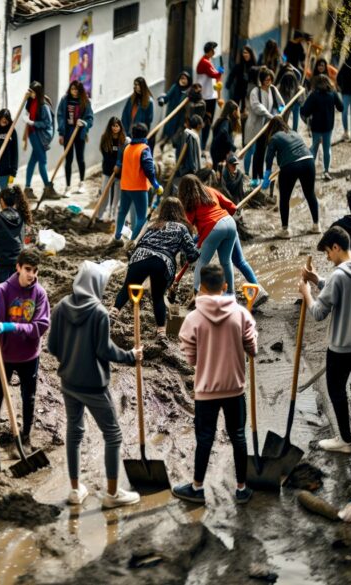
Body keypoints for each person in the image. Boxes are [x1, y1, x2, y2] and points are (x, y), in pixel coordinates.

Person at [48, 260, 143, 508]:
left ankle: (75, 489)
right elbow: (105, 350)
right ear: (96, 285)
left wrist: (70, 360)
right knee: (113, 435)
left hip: (68, 382)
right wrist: (130, 355)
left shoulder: (60, 307)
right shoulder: (99, 313)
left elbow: (51, 347)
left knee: (74, 432)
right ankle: (113, 495)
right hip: (93, 386)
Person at [172, 264, 257, 505]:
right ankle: (241, 488)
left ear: (201, 288)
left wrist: (199, 360)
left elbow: (189, 353)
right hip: (235, 387)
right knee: (238, 436)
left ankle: (197, 487)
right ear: (225, 286)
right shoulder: (240, 313)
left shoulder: (193, 318)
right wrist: (250, 350)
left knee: (205, 437)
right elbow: (251, 345)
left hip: (206, 389)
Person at [300, 226, 351, 453]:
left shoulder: (338, 276)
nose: (327, 257)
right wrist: (316, 279)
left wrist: (306, 294)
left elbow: (318, 313)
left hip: (341, 348)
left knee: (336, 390)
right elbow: (345, 289)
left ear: (336, 247)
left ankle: (345, 441)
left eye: (327, 252)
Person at [0, 248, 50, 450]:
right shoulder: (1, 291)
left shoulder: (39, 293)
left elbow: (40, 326)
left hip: (29, 356)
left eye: (35, 270)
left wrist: (12, 326)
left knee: (28, 398)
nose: (32, 275)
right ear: (18, 267)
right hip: (4, 354)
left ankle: (26, 435)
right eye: (28, 269)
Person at [112, 197, 199, 333]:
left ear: (162, 211)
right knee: (157, 297)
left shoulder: (154, 225)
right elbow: (192, 256)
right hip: (161, 261)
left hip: (139, 256)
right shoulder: (182, 228)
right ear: (180, 212)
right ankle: (161, 332)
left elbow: (140, 243)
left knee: (126, 289)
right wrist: (197, 246)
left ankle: (113, 312)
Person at [179, 175, 267, 306]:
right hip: (229, 223)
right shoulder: (210, 190)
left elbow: (188, 226)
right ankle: (231, 294)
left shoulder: (190, 202)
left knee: (202, 262)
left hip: (214, 228)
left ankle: (197, 294)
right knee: (226, 261)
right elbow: (231, 207)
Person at [263, 117, 319, 238]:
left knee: (284, 197)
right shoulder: (294, 132)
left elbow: (268, 158)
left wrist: (267, 175)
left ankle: (285, 230)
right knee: (310, 194)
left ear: (271, 128)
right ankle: (316, 225)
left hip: (290, 165)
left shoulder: (274, 138)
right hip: (308, 161)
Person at [114, 122, 162, 241]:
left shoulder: (127, 148)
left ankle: (117, 237)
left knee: (122, 212)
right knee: (141, 217)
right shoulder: (144, 149)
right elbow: (149, 170)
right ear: (145, 135)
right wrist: (155, 184)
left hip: (125, 186)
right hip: (138, 188)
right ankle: (132, 241)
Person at [244, 67, 284, 185]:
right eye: (266, 80)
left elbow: (281, 103)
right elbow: (257, 107)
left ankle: (260, 177)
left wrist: (280, 110)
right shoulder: (255, 92)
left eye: (270, 79)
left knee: (261, 152)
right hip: (254, 126)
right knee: (253, 151)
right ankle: (252, 177)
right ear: (261, 80)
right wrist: (270, 115)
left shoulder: (272, 89)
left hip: (266, 127)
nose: (268, 82)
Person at [301, 74, 344, 180]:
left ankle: (309, 171)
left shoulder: (314, 95)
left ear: (316, 84)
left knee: (314, 148)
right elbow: (341, 107)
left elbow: (304, 111)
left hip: (316, 127)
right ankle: (326, 171)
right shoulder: (332, 94)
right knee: (327, 149)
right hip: (328, 127)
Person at [56, 80, 95, 195]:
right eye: (72, 89)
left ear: (80, 90)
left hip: (80, 133)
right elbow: (60, 116)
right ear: (70, 89)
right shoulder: (65, 100)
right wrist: (61, 133)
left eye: (77, 89)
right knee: (68, 160)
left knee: (80, 159)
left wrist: (84, 123)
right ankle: (67, 187)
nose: (74, 91)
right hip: (68, 133)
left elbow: (90, 118)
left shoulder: (85, 101)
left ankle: (81, 183)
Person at [22, 83, 54, 191]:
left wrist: (32, 122)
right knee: (42, 161)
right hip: (33, 135)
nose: (30, 93)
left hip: (40, 136)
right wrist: (27, 117)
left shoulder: (43, 106)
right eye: (30, 91)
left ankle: (27, 187)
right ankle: (47, 186)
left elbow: (47, 123)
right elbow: (28, 113)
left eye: (32, 91)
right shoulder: (31, 102)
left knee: (34, 161)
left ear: (37, 92)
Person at [98, 117, 128, 221]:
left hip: (119, 173)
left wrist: (119, 166)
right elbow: (104, 153)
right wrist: (111, 167)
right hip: (107, 171)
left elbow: (126, 156)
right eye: (113, 126)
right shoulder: (105, 138)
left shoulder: (124, 141)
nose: (115, 128)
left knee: (116, 197)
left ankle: (114, 216)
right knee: (104, 193)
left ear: (120, 127)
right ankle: (100, 215)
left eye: (117, 126)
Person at [195, 41, 224, 149]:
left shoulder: (208, 60)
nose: (214, 51)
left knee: (208, 122)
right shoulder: (205, 62)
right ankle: (201, 146)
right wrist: (220, 72)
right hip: (205, 97)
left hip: (210, 96)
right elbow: (214, 74)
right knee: (205, 122)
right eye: (213, 49)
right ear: (209, 50)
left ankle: (202, 145)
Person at [158, 70, 191, 148]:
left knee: (178, 134)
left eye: (185, 79)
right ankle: (165, 144)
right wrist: (162, 100)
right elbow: (168, 96)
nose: (183, 81)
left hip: (181, 116)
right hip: (172, 114)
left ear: (188, 81)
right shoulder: (175, 87)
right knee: (170, 131)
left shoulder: (188, 91)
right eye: (182, 78)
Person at [210, 100, 240, 171]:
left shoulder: (222, 119)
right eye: (236, 111)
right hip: (219, 152)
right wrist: (232, 146)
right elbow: (223, 132)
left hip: (216, 150)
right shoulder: (226, 121)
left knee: (217, 171)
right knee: (219, 172)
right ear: (232, 111)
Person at [227, 46, 258, 111]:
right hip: (239, 89)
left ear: (250, 54)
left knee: (245, 109)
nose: (245, 55)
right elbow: (232, 74)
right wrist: (228, 84)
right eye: (244, 53)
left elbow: (257, 78)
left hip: (248, 91)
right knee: (235, 108)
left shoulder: (254, 66)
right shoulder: (239, 65)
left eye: (247, 53)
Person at [173, 114, 203, 179]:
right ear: (198, 126)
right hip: (189, 171)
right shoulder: (194, 136)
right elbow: (193, 157)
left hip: (183, 168)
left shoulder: (186, 133)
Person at [276, 61, 303, 131]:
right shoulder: (281, 82)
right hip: (286, 103)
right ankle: (284, 128)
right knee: (284, 116)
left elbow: (299, 75)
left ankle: (293, 130)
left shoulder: (295, 79)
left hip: (295, 102)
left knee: (294, 118)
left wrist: (292, 68)